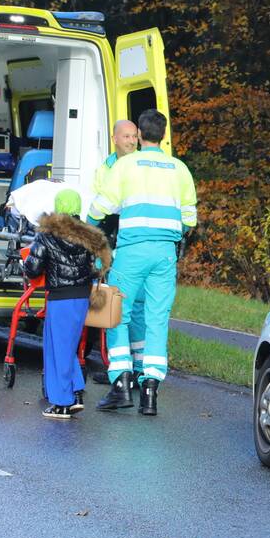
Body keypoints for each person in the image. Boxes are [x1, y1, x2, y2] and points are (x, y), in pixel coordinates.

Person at [88, 110, 197, 416]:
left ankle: (121, 384)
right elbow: (190, 218)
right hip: (164, 254)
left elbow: (102, 207)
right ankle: (150, 391)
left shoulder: (126, 165)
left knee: (116, 315)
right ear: (162, 135)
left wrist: (87, 225)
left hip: (132, 251)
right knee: (156, 318)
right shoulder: (180, 169)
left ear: (139, 135)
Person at [23, 189, 112, 419]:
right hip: (82, 295)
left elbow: (32, 268)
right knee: (68, 345)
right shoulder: (89, 236)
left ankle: (61, 402)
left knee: (56, 349)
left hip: (59, 296)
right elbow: (100, 265)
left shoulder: (47, 235)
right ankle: (75, 391)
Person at [88, 119, 142, 385]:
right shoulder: (105, 169)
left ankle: (133, 368)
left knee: (134, 307)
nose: (131, 141)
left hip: (133, 238)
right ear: (115, 139)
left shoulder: (143, 165)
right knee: (114, 304)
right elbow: (101, 204)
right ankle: (119, 366)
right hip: (111, 236)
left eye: (134, 137)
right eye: (126, 137)